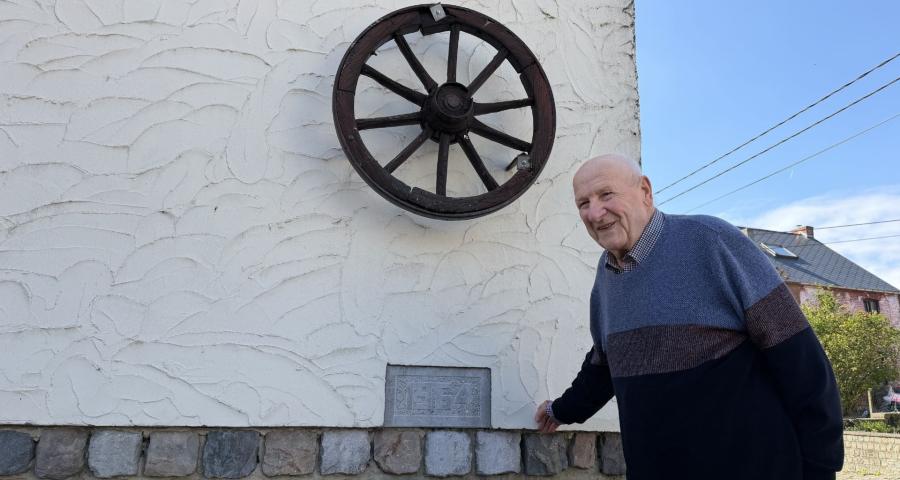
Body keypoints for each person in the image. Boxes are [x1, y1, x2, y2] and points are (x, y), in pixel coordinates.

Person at [534, 154, 844, 480]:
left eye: (606, 195)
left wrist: (821, 467)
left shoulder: (710, 240)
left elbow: (803, 364)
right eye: (583, 203)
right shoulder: (607, 273)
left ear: (645, 191)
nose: (594, 213)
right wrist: (560, 410)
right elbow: (604, 367)